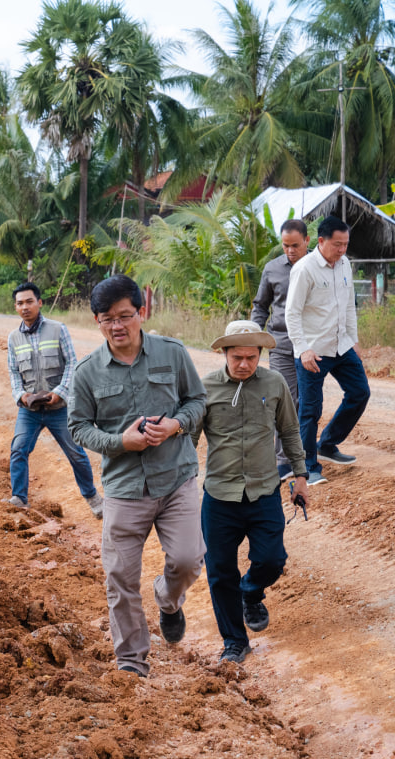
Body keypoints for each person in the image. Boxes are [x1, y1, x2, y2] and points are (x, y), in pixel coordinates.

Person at [68, 275, 207, 677]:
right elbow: (78, 427)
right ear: (97, 321)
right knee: (119, 578)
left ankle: (168, 600)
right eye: (107, 319)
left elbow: (197, 400)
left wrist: (176, 425)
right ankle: (131, 662)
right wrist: (120, 442)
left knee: (187, 560)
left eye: (125, 316)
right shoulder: (87, 372)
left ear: (141, 312)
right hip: (125, 487)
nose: (117, 326)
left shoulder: (172, 353)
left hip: (176, 478)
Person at [193, 320, 308, 664]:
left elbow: (290, 430)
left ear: (260, 355)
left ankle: (252, 591)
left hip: (264, 491)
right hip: (219, 496)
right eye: (237, 357)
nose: (244, 364)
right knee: (219, 572)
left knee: (272, 560)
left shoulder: (274, 383)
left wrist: (301, 475)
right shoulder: (205, 388)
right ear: (224, 354)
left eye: (251, 357)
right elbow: (189, 441)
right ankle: (234, 641)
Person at [4, 282, 102, 518]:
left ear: (39, 302)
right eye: (20, 303)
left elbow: (72, 363)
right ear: (15, 307)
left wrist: (60, 392)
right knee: (18, 449)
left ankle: (93, 498)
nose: (25, 307)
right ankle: (19, 498)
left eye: (29, 301)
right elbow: (14, 372)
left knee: (76, 453)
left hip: (59, 408)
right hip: (30, 410)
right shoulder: (13, 338)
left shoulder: (58, 329)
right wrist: (20, 395)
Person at [285, 216, 369, 485]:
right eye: (337, 244)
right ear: (321, 241)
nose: (342, 249)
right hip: (313, 352)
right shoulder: (304, 269)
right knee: (310, 410)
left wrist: (353, 340)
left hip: (341, 346)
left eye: (345, 244)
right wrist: (303, 350)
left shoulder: (345, 264)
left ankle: (328, 444)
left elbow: (348, 306)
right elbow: (292, 313)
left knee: (360, 393)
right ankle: (308, 467)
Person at [251, 219, 311, 480]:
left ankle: (307, 453)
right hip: (282, 344)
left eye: (295, 245)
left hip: (312, 347)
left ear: (307, 241)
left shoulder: (319, 267)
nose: (290, 251)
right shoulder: (272, 269)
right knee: (284, 400)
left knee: (308, 402)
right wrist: (254, 337)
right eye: (285, 245)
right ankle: (284, 460)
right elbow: (261, 306)